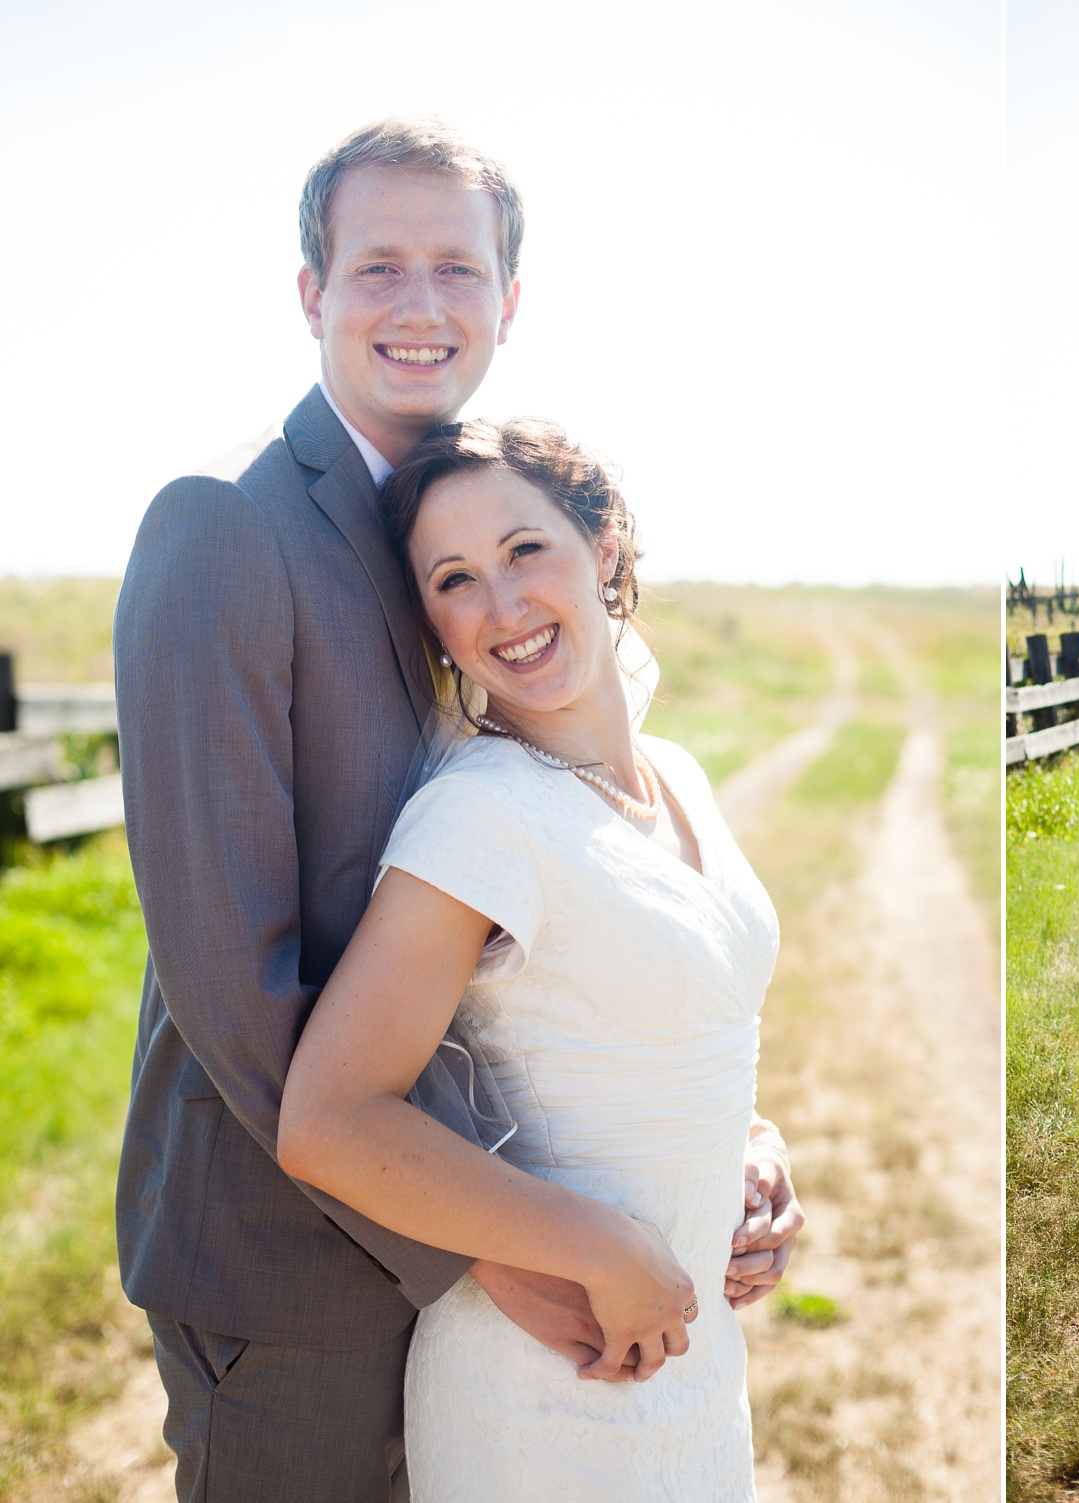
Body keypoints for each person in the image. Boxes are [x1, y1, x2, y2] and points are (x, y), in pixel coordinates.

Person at [114, 119, 800, 1502]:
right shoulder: (226, 528)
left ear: (508, 299)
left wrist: (715, 1135)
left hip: (476, 1230)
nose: (421, 307)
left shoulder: (442, 522)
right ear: (311, 293)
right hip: (290, 1254)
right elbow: (228, 974)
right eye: (378, 267)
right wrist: (489, 1243)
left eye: (457, 269)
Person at [279, 418, 777, 1497]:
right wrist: (593, 1246)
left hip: (693, 1375)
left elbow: (673, 1022)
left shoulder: (678, 775)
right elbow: (328, 1118)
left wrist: (754, 1148)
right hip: (545, 1395)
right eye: (454, 580)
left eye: (524, 551)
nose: (501, 607)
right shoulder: (479, 817)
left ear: (602, 544)